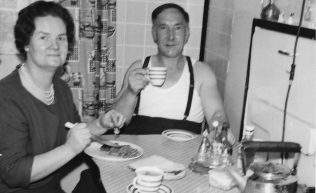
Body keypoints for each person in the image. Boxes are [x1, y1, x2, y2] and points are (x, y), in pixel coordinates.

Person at [0, 1, 125, 193]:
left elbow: (73, 132)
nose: (55, 46)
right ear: (25, 43)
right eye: (43, 37)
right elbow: (13, 172)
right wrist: (70, 149)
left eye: (61, 38)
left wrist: (101, 123)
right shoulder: (6, 97)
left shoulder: (60, 88)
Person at [113, 3, 231, 136]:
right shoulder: (138, 68)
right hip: (139, 154)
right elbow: (115, 122)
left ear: (187, 33)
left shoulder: (201, 73)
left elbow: (217, 114)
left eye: (178, 28)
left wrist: (219, 127)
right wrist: (130, 92)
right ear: (154, 34)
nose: (171, 36)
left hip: (183, 154)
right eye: (163, 28)